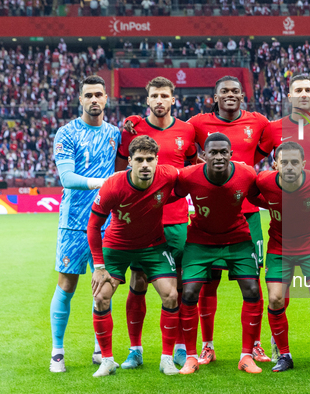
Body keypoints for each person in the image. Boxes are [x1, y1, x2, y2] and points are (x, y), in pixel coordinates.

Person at [124, 76, 273, 364]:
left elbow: (268, 156)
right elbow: (176, 153)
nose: (230, 95)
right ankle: (203, 345)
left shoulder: (260, 122)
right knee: (203, 283)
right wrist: (133, 121)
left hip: (247, 215)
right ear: (214, 97)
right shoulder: (194, 125)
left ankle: (253, 345)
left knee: (254, 284)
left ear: (243, 95)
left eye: (235, 91)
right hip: (201, 219)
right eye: (223, 91)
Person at [114, 77, 199, 370]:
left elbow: (192, 166)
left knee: (177, 286)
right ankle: (135, 351)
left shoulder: (187, 130)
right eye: (154, 96)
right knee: (137, 283)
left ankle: (177, 348)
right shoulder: (133, 129)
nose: (160, 100)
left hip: (176, 220)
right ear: (147, 100)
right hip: (143, 222)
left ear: (173, 99)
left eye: (165, 95)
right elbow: (120, 171)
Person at [254, 74, 310, 362]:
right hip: (283, 224)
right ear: (288, 96)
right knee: (279, 294)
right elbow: (254, 164)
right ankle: (281, 347)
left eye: (308, 90)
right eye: (298, 90)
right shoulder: (274, 128)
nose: (304, 94)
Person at [88, 136, 181, 377]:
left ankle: (167, 359)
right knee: (101, 298)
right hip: (117, 246)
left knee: (171, 295)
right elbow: (93, 225)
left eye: (150, 159)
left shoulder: (168, 175)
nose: (145, 165)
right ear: (129, 161)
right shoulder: (114, 185)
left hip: (153, 245)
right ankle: (107, 360)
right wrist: (99, 265)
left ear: (157, 160)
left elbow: (193, 178)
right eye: (139, 159)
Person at [173, 133, 263, 374]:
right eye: (213, 152)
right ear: (203, 156)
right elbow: (170, 191)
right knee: (190, 292)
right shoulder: (190, 175)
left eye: (224, 152)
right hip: (201, 239)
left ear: (231, 154)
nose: (219, 156)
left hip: (237, 238)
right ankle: (193, 356)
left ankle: (246, 355)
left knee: (253, 290)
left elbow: (262, 195)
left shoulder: (246, 174)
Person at [49, 75, 121, 373]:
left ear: (106, 99)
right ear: (80, 99)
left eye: (99, 95)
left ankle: (100, 349)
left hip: (106, 224)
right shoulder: (66, 133)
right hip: (74, 223)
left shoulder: (116, 134)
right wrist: (104, 183)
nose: (94, 100)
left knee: (104, 286)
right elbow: (67, 178)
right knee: (67, 285)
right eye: (88, 95)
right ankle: (57, 352)